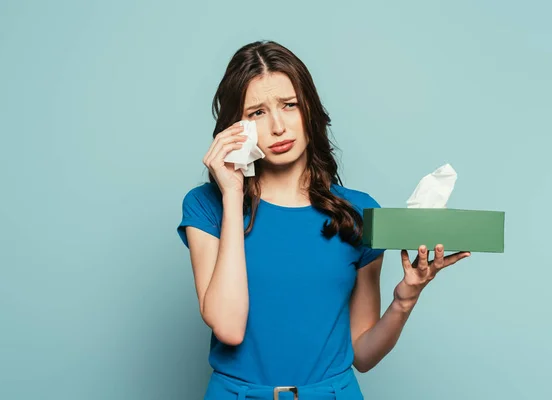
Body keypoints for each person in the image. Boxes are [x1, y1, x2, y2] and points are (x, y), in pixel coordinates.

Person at [176, 40, 471, 400]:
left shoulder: (359, 213)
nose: (278, 126)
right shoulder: (207, 206)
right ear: (236, 126)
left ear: (309, 110)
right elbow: (229, 327)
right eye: (257, 113)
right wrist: (233, 192)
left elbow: (362, 354)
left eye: (289, 105)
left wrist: (405, 299)